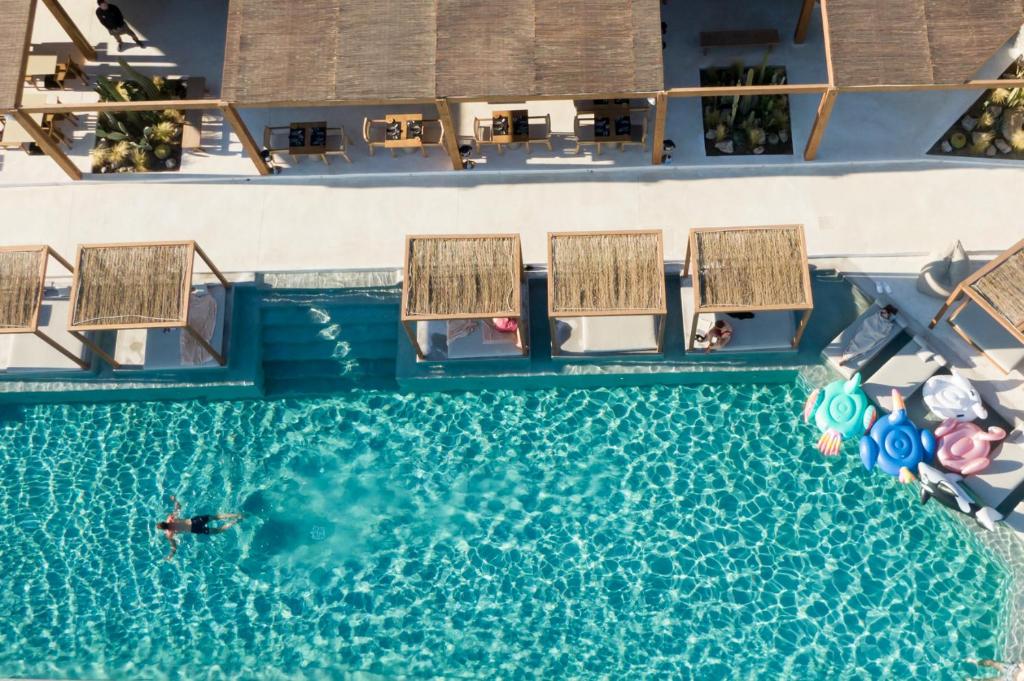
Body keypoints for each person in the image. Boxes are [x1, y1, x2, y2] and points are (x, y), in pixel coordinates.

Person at [156, 495, 241, 561]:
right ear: (164, 522)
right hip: (195, 520)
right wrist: (174, 500)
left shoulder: (169, 534)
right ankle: (237, 515)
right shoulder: (170, 519)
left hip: (195, 529)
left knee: (218, 530)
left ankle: (235, 521)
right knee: (217, 517)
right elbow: (178, 507)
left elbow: (174, 548)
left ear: (163, 529)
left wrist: (169, 556)